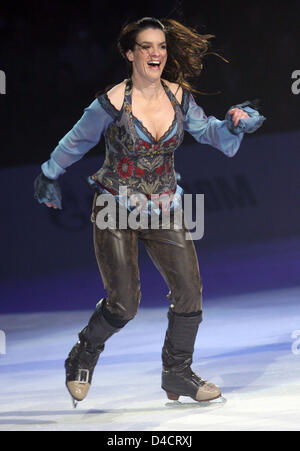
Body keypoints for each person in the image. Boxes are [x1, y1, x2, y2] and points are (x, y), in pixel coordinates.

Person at [34, 17, 265, 407]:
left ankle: (177, 371)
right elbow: (77, 140)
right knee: (124, 303)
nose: (156, 53)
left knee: (190, 293)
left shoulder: (178, 96)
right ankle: (84, 352)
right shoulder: (111, 101)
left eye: (160, 46)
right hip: (115, 206)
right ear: (130, 53)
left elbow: (210, 132)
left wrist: (234, 123)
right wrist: (49, 172)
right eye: (146, 46)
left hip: (165, 205)